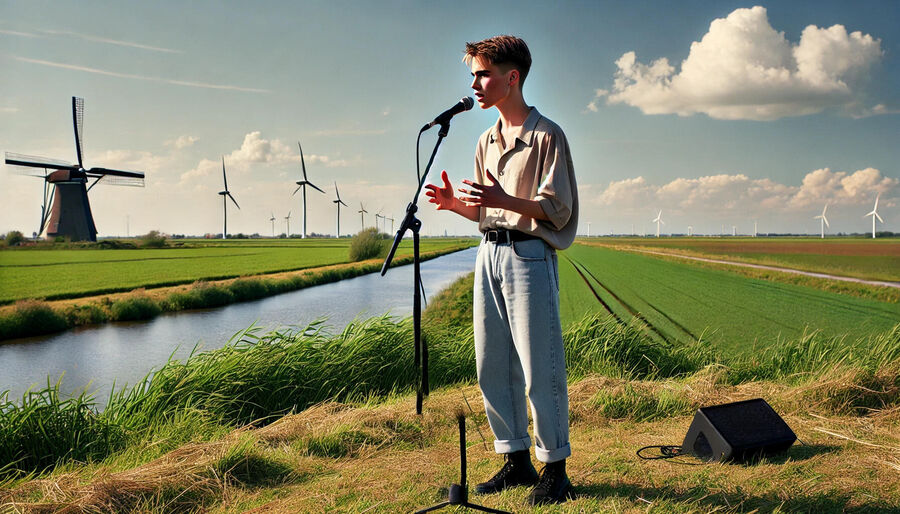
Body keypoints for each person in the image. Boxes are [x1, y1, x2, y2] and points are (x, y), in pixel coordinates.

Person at [424, 35, 578, 506]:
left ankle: (555, 467)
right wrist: (455, 207)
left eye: (483, 73)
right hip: (488, 253)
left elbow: (558, 209)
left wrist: (502, 200)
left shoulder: (547, 135)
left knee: (539, 366)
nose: (475, 83)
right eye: (472, 74)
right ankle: (515, 459)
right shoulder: (484, 140)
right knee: (493, 363)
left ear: (512, 77)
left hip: (529, 255)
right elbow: (487, 212)